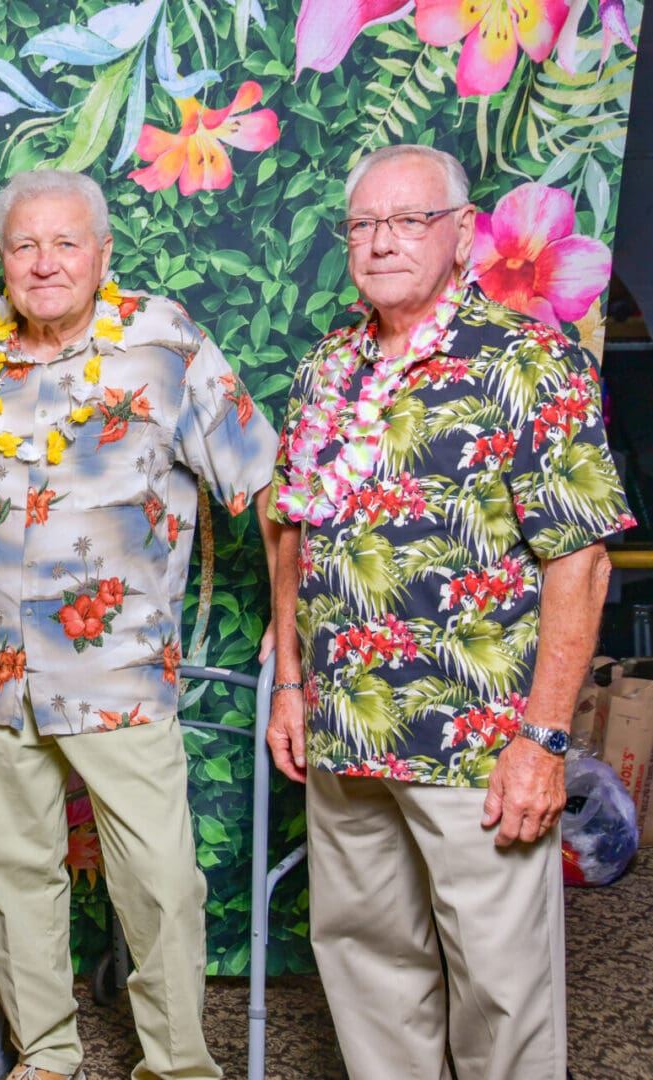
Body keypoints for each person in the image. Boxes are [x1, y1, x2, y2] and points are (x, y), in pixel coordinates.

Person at [265, 144, 633, 1080]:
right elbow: (291, 530)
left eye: (408, 221)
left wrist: (545, 739)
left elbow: (580, 558)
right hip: (348, 730)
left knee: (502, 990)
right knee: (366, 967)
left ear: (463, 234)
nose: (381, 242)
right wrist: (293, 685)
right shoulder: (324, 371)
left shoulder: (526, 361)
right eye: (364, 225)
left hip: (479, 745)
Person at [0, 169, 279, 1080]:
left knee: (161, 882)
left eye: (65, 243)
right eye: (23, 245)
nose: (44, 264)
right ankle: (47, 1057)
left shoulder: (164, 342)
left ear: (104, 253)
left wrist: (294, 627)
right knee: (14, 875)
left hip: (118, 666)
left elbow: (261, 481)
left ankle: (176, 1064)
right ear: (1, 257)